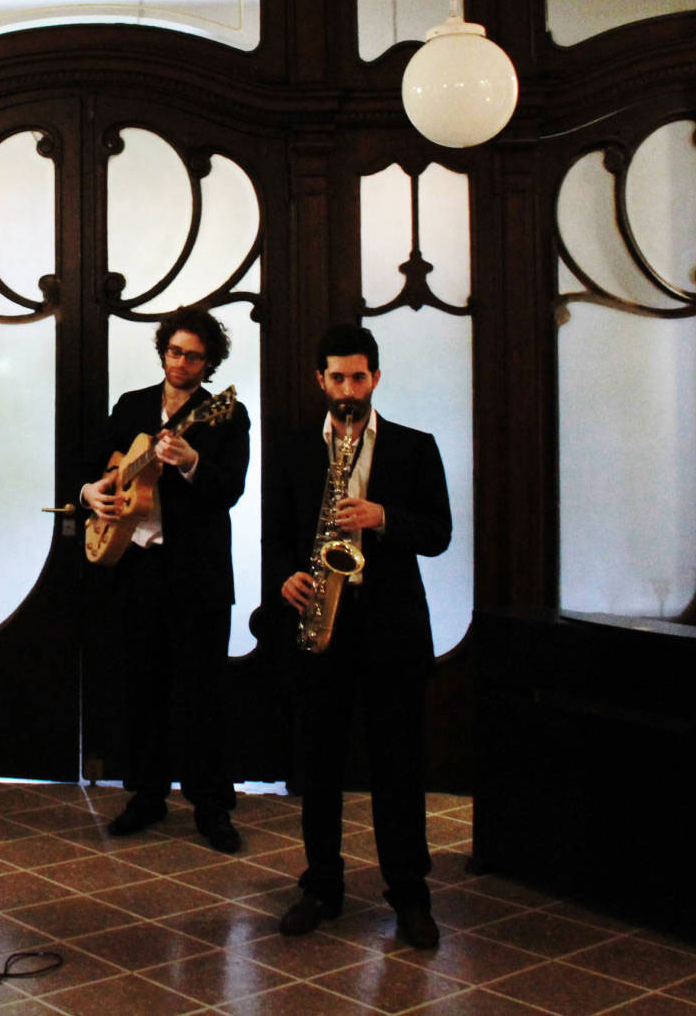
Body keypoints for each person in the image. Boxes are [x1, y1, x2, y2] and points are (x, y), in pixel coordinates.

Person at [261, 324, 450, 948]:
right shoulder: (293, 448)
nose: (348, 390)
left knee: (399, 765)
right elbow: (275, 535)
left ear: (376, 377)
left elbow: (439, 533)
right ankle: (321, 885)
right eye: (337, 378)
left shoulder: (415, 447)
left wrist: (382, 516)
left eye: (359, 377)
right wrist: (285, 576)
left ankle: (410, 894)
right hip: (323, 621)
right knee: (319, 763)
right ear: (321, 380)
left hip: (390, 625)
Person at [80, 307, 251, 854]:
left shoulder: (227, 414)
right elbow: (96, 467)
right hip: (136, 567)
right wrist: (91, 493)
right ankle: (146, 796)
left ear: (209, 363)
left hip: (197, 573)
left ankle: (211, 806)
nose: (181, 363)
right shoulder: (131, 405)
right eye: (175, 351)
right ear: (163, 352)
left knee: (204, 692)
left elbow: (230, 490)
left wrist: (192, 459)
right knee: (142, 687)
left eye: (194, 357)